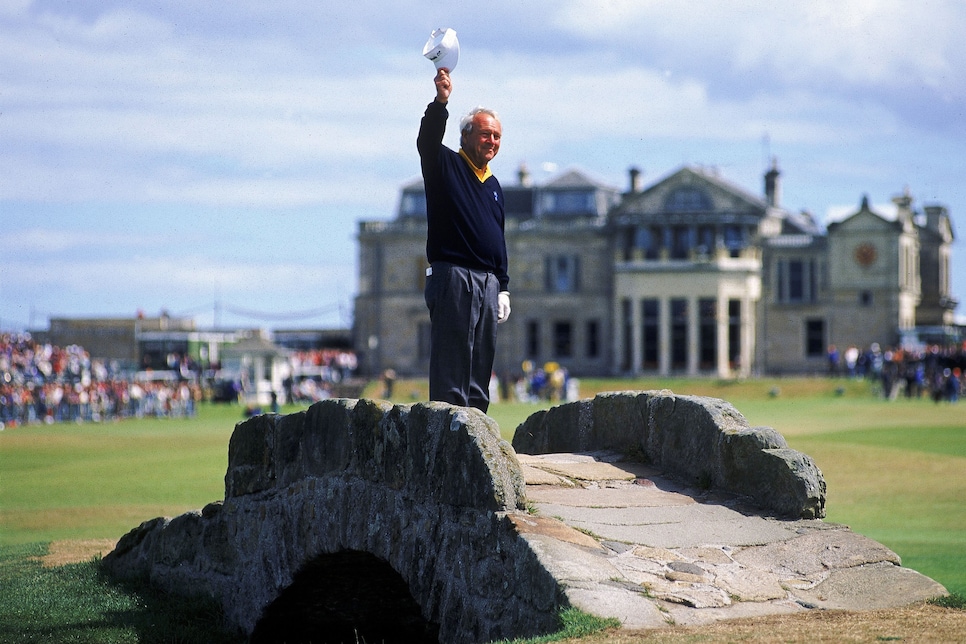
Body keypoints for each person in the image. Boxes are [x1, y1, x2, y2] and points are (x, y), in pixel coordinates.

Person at [417, 67, 510, 412]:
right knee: (451, 370)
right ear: (467, 134)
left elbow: (497, 240)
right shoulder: (444, 164)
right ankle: (446, 445)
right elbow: (426, 141)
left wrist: (503, 286)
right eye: (486, 135)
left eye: (498, 137)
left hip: (487, 283)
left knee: (479, 369)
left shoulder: (495, 186)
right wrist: (441, 102)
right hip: (453, 276)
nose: (492, 142)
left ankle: (476, 440)